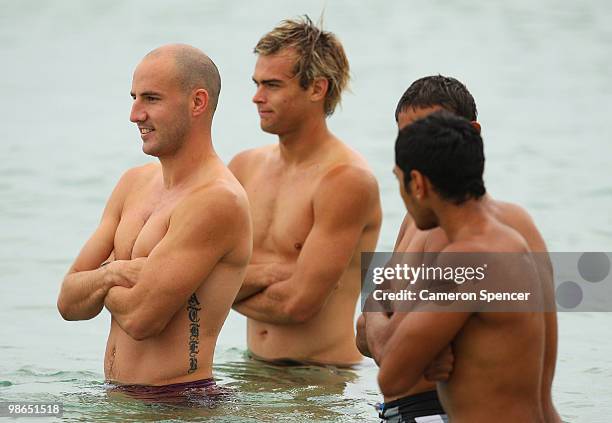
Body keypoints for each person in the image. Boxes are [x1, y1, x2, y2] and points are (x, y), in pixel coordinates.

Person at [357, 75, 560, 422]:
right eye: (410, 137)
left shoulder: (464, 248)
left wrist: (396, 325)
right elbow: (368, 331)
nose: (422, 146)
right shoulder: (501, 229)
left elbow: (391, 367)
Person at [57, 45, 252, 396]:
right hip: (114, 397)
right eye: (134, 98)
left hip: (178, 404)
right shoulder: (132, 183)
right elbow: (68, 303)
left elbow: (141, 318)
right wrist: (115, 272)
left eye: (151, 99)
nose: (134, 114)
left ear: (197, 103)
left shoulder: (217, 199)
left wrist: (97, 283)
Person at [229, 16, 382, 366]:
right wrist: (270, 274)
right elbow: (199, 276)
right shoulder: (243, 168)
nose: (256, 97)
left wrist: (219, 288)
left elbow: (298, 304)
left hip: (319, 382)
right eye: (256, 83)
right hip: (250, 370)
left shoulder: (346, 179)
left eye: (272, 85)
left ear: (317, 89)